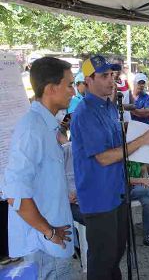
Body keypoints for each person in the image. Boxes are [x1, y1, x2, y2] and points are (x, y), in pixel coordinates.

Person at [70, 55, 149, 280]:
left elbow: (122, 139)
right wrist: (143, 140)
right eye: (104, 76)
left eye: (112, 75)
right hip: (98, 197)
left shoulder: (110, 107)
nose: (111, 80)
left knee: (116, 253)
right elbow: (103, 157)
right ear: (88, 80)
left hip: (118, 191)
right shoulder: (85, 113)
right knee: (102, 259)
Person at [2, 57, 75, 279]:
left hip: (53, 240)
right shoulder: (32, 129)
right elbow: (15, 195)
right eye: (70, 84)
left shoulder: (46, 125)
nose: (73, 91)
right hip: (45, 248)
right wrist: (49, 232)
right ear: (52, 89)